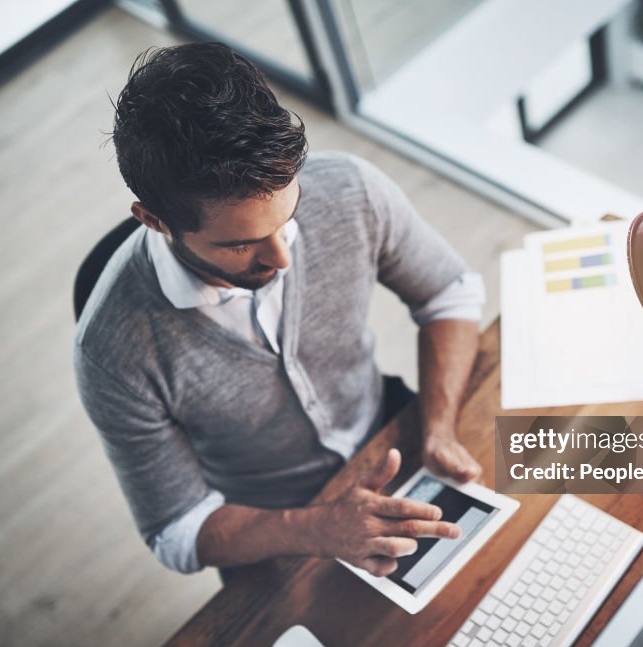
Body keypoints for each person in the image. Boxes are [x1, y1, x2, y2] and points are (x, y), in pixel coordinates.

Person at [74, 43, 485, 578]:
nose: (282, 256)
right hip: (269, 528)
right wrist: (316, 528)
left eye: (287, 216)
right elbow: (174, 529)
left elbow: (448, 291)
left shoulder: (352, 189)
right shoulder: (109, 353)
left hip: (398, 432)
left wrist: (438, 427)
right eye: (240, 244)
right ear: (154, 220)